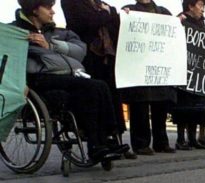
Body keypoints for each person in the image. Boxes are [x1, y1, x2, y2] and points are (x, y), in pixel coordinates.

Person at [12, 0, 128, 163]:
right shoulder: (15, 32)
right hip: (39, 79)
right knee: (93, 86)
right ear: (35, 10)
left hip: (67, 76)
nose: (53, 12)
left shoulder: (57, 31)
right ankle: (97, 145)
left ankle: (106, 139)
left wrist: (51, 46)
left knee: (99, 87)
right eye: (48, 8)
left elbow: (81, 50)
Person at [60, 0, 136, 159]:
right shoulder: (72, 3)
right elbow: (88, 22)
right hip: (89, 57)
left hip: (107, 58)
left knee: (112, 99)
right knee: (94, 98)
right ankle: (97, 141)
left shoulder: (102, 5)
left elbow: (115, 26)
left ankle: (115, 138)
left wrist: (121, 15)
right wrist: (108, 13)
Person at [120, 0, 176, 155]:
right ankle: (141, 144)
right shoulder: (129, 10)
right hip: (138, 67)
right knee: (140, 106)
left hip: (159, 66)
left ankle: (161, 142)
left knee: (161, 106)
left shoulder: (163, 12)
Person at [172, 0, 205, 150]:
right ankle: (181, 139)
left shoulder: (201, 23)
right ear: (190, 6)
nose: (203, 9)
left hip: (197, 70)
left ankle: (193, 138)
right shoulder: (180, 20)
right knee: (182, 106)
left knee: (195, 106)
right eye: (200, 5)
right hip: (182, 69)